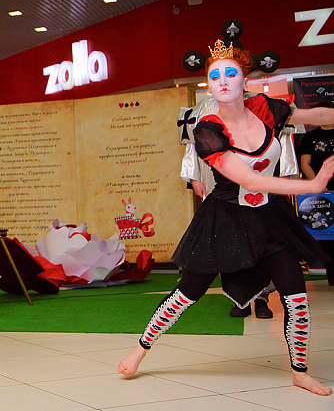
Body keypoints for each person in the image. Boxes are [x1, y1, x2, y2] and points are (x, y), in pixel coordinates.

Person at [118, 41, 334, 396]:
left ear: (244, 79)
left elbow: (320, 117)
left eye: (230, 73)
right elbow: (249, 180)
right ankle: (141, 348)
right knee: (188, 292)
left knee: (296, 296)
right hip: (225, 220)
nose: (222, 80)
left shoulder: (266, 108)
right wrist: (311, 185)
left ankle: (300, 372)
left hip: (270, 219)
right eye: (214, 76)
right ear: (209, 86)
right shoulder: (208, 130)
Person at [298, 100, 334, 285]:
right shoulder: (310, 137)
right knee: (327, 234)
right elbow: (305, 164)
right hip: (321, 193)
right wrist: (319, 185)